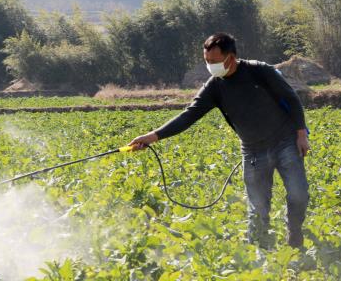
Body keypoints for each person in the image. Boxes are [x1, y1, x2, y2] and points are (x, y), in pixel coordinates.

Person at [128, 33, 310, 249]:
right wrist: (151, 137)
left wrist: (301, 134)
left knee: (299, 195)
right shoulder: (214, 87)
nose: (210, 66)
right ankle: (262, 255)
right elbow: (189, 115)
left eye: (214, 61)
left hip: (285, 142)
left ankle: (294, 234)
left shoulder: (260, 71)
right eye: (207, 61)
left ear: (230, 57)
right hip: (253, 151)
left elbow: (291, 98)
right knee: (258, 207)